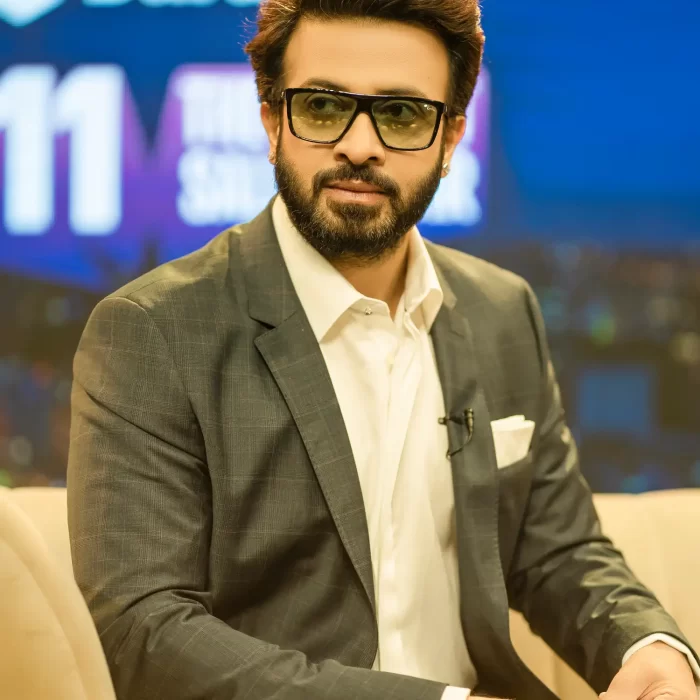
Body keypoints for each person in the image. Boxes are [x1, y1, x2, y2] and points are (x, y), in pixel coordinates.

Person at [67, 1, 700, 699]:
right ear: (271, 122)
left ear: (451, 137)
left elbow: (557, 550)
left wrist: (650, 646)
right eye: (322, 107)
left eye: (400, 114)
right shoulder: (154, 331)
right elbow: (146, 631)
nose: (360, 145)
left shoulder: (501, 310)